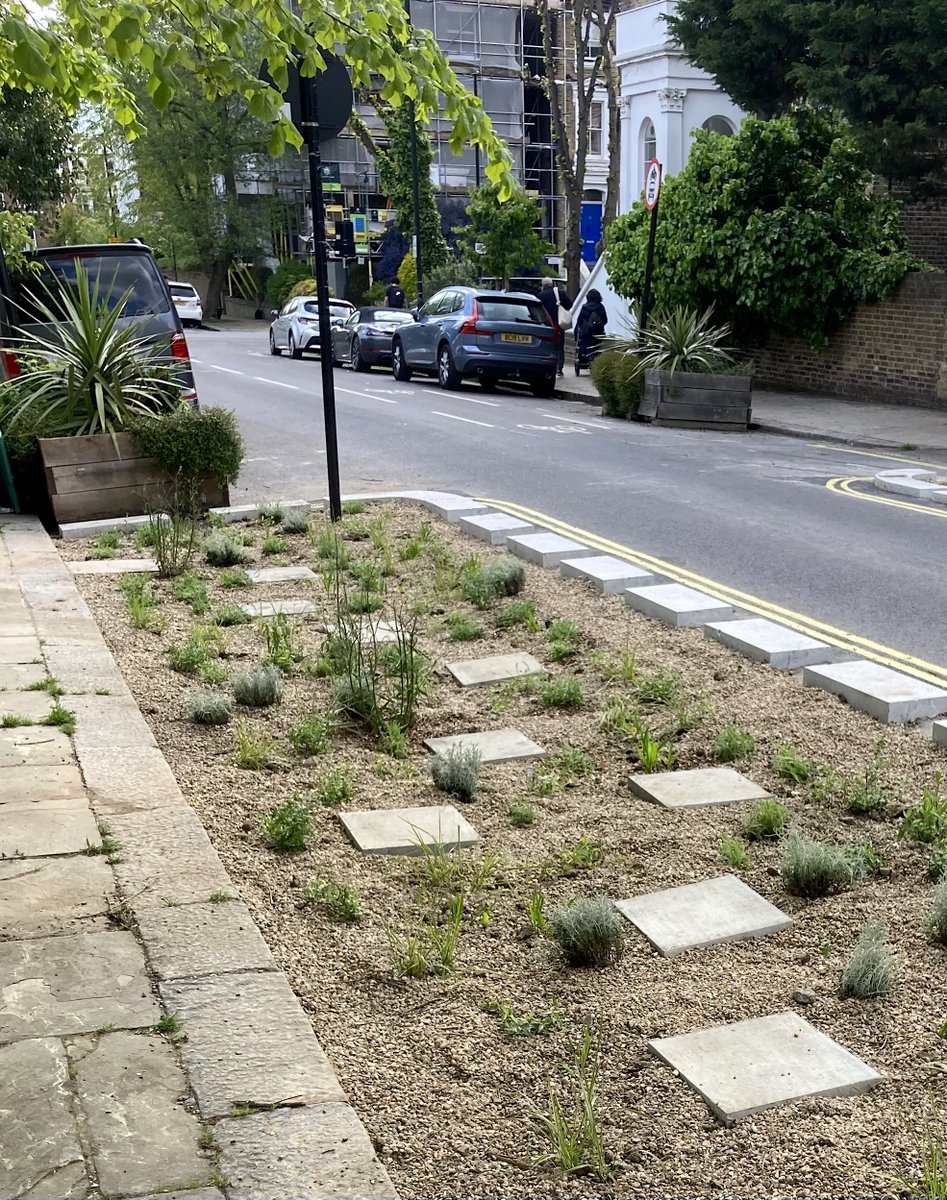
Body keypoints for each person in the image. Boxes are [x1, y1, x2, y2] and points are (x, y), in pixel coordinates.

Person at [539, 276, 571, 376]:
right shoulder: (560, 293)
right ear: (552, 284)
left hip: (546, 325)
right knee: (559, 347)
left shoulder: (541, 296)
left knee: (546, 346)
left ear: (543, 286)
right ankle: (559, 369)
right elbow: (570, 304)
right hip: (559, 324)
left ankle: (547, 367)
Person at [574, 288, 608, 366]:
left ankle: (587, 358)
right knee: (596, 347)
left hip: (586, 332)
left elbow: (580, 320)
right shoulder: (600, 307)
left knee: (586, 345)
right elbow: (605, 320)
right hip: (598, 332)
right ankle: (594, 361)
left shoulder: (585, 307)